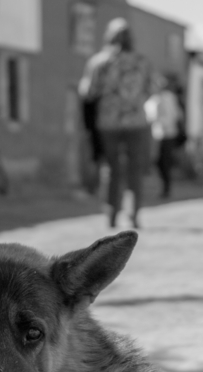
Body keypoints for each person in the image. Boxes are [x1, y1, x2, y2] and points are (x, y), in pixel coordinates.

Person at [79, 18, 155, 228]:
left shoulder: (99, 62)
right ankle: (134, 213)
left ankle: (112, 214)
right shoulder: (142, 61)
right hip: (136, 122)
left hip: (109, 123)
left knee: (112, 169)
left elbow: (88, 91)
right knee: (135, 169)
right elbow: (150, 90)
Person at [145, 75, 184, 199]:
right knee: (157, 162)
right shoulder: (152, 100)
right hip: (156, 136)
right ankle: (162, 187)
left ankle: (166, 188)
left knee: (165, 162)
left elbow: (176, 115)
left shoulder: (169, 98)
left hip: (168, 134)